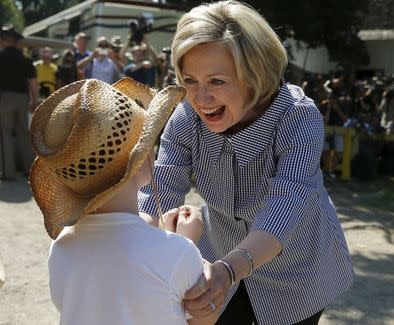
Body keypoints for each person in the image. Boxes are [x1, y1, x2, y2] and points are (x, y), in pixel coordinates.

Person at [138, 1, 354, 324]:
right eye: (190, 80)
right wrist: (128, 238)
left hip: (296, 270)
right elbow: (159, 191)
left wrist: (228, 270)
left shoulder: (298, 117)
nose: (200, 97)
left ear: (254, 75)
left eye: (217, 81)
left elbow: (283, 208)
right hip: (219, 252)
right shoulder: (186, 116)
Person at [29, 77, 217, 325]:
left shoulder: (62, 247)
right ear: (142, 161)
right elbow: (203, 319)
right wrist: (186, 243)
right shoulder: (178, 253)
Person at [0, 25, 38, 180]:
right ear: (16, 42)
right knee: (23, 132)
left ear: (2, 40)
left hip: (4, 98)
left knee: (6, 134)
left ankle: (8, 173)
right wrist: (34, 100)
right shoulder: (26, 60)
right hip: (22, 98)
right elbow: (34, 83)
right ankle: (29, 169)